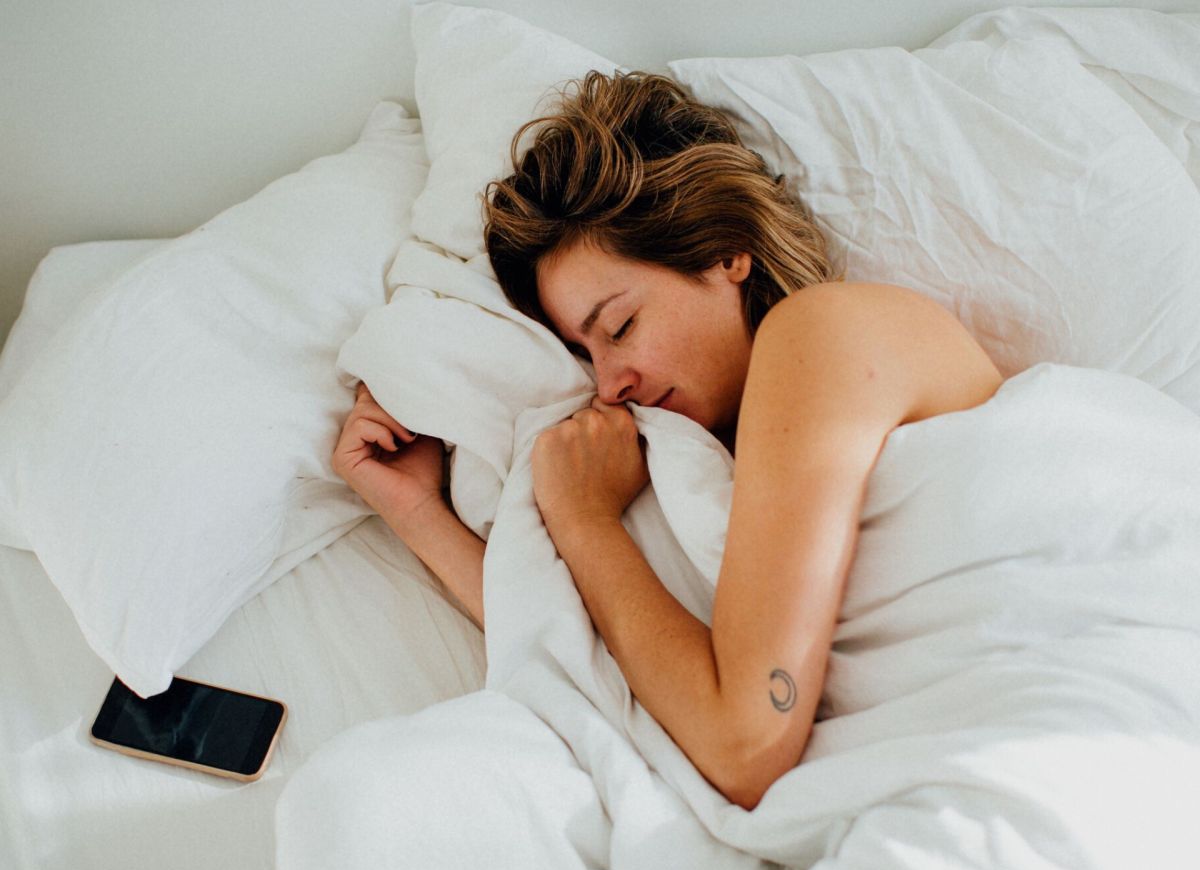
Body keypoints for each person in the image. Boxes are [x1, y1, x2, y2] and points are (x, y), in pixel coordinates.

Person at [331, 70, 1003, 810]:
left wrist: (587, 523)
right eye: (585, 354)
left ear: (725, 252)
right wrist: (418, 511)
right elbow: (610, 662)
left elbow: (745, 745)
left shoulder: (822, 332)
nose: (609, 381)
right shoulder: (714, 464)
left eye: (619, 326)